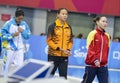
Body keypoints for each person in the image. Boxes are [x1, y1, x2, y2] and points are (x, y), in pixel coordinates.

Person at [1, 7, 31, 76]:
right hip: (10, 48)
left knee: (20, 66)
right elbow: (2, 35)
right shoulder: (8, 23)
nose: (20, 20)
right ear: (15, 16)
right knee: (7, 65)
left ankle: (17, 79)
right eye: (19, 19)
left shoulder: (24, 24)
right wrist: (12, 35)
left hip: (20, 48)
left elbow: (28, 36)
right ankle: (4, 78)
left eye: (21, 19)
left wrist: (23, 31)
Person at [82, 16, 110, 83]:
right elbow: (89, 49)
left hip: (103, 66)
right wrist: (95, 59)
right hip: (91, 65)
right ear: (97, 22)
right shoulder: (92, 34)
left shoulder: (107, 36)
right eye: (103, 21)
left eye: (106, 22)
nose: (105, 23)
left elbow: (107, 50)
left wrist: (105, 60)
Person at [46, 8, 73, 79]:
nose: (65, 16)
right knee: (49, 76)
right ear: (58, 15)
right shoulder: (52, 26)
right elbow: (49, 40)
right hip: (53, 56)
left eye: (66, 14)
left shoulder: (69, 27)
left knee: (63, 78)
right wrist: (58, 48)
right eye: (63, 14)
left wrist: (68, 49)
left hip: (64, 57)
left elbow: (70, 41)